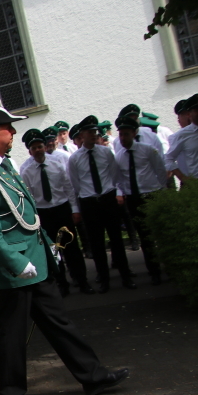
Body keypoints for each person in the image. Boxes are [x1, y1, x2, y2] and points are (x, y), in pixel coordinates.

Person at [0, 64, 128, 395]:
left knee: (58, 321)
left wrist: (47, 244)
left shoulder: (3, 166)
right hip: (14, 268)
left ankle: (93, 376)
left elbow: (26, 213)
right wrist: (17, 262)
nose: (13, 132)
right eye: (8, 128)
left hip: (34, 259)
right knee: (11, 332)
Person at [18, 129, 93, 296]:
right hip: (44, 214)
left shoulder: (57, 164)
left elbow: (69, 189)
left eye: (40, 146)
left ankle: (82, 281)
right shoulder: (26, 171)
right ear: (30, 152)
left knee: (72, 248)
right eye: (34, 148)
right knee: (53, 251)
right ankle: (61, 284)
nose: (38, 150)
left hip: (62, 209)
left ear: (45, 147)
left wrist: (75, 210)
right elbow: (29, 197)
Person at [66, 116, 136, 293]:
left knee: (117, 240)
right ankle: (104, 279)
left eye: (94, 132)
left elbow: (115, 176)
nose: (93, 135)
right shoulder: (74, 159)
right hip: (89, 203)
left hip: (107, 199)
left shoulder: (105, 152)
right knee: (97, 244)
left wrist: (115, 193)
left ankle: (125, 276)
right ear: (82, 135)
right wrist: (78, 206)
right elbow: (75, 184)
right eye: (89, 132)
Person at [114, 115, 167, 285]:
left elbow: (160, 171)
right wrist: (123, 193)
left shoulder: (148, 150)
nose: (123, 138)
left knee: (160, 232)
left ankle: (169, 265)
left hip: (151, 194)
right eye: (120, 134)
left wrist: (161, 191)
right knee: (144, 236)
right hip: (134, 199)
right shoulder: (119, 156)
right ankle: (154, 271)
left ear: (134, 133)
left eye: (126, 134)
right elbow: (119, 179)